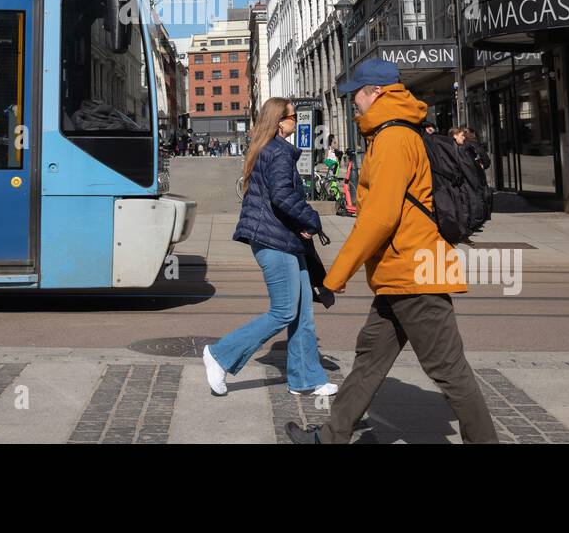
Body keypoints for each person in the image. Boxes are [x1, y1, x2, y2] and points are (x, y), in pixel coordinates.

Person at [287, 61, 497, 444]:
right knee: (370, 359)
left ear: (377, 92)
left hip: (413, 274)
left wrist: (336, 276)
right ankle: (331, 437)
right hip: (400, 275)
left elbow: (379, 219)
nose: (353, 102)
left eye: (357, 93)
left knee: (450, 370)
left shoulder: (393, 139)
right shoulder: (392, 132)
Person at [202, 97, 336, 398]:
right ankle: (220, 355)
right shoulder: (278, 152)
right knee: (284, 312)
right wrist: (313, 219)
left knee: (302, 313)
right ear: (280, 122)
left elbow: (278, 197)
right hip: (274, 241)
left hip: (281, 239)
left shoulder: (268, 149)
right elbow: (282, 196)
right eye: (292, 116)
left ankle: (305, 380)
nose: (295, 121)